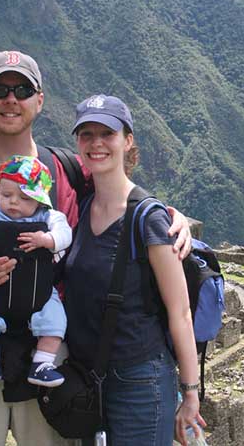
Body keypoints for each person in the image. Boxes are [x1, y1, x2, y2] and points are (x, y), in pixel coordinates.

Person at [0, 51, 193, 446]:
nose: (11, 99)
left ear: (39, 101)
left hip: (50, 351)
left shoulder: (70, 173)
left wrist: (170, 216)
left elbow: (122, 202)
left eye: (22, 89)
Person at [63, 95, 205, 446]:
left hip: (140, 380)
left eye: (107, 134)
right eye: (87, 134)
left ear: (127, 141)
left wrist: (190, 391)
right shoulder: (79, 207)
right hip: (89, 377)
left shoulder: (150, 220)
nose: (96, 143)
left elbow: (181, 312)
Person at [0, 155, 70, 390]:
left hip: (40, 290)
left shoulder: (49, 218)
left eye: (24, 197)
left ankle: (43, 363)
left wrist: (47, 239)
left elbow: (65, 235)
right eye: (6, 195)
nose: (13, 202)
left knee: (56, 321)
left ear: (40, 200)